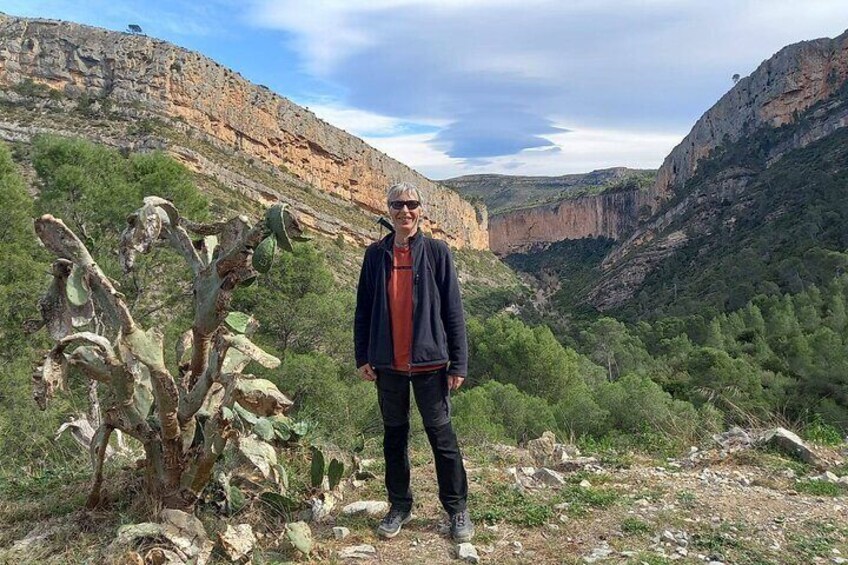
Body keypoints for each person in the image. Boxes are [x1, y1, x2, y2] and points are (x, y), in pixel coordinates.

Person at [354, 181, 474, 542]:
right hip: (387, 363)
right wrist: (363, 356)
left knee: (443, 438)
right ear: (388, 210)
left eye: (411, 204)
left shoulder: (437, 252)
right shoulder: (375, 255)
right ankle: (399, 506)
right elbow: (363, 310)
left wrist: (458, 363)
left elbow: (453, 310)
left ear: (421, 210)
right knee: (394, 437)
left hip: (430, 364)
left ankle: (457, 510)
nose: (404, 210)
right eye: (397, 204)